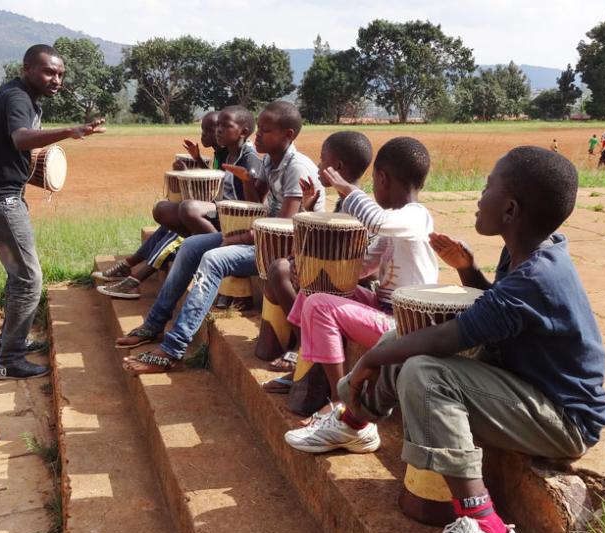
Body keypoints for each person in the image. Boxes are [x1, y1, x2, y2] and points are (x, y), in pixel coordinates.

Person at [285, 146, 605, 533]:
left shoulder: (536, 278)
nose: (479, 194)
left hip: (563, 420)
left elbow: (447, 336)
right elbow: (501, 312)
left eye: (488, 185)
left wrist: (373, 356)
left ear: (509, 210)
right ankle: (355, 422)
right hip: (528, 389)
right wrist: (470, 271)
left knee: (425, 371)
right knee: (406, 338)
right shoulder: (530, 253)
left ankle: (485, 525)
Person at [118, 101, 324, 372]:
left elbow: (284, 227)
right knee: (191, 246)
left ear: (288, 135)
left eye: (266, 130)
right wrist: (250, 183)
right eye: (258, 129)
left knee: (214, 260)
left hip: (284, 249)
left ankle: (172, 349)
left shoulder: (297, 167)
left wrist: (236, 239)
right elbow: (256, 204)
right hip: (263, 238)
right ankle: (154, 324)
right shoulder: (270, 161)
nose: (258, 135)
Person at [0, 44, 106, 379]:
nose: (56, 79)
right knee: (29, 278)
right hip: (0, 199)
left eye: (60, 73)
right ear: (27, 68)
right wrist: (69, 132)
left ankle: (12, 342)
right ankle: (10, 360)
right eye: (48, 72)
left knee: (19, 274)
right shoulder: (18, 98)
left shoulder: (11, 90)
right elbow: (20, 138)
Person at [276, 137, 439, 417]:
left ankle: (343, 402)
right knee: (314, 291)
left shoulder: (416, 217)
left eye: (373, 181)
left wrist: (347, 190)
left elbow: (377, 221)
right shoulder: (397, 223)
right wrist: (315, 272)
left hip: (401, 327)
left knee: (319, 305)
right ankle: (306, 368)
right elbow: (361, 269)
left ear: (382, 178)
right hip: (383, 311)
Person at [95, 106, 261, 300]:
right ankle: (129, 266)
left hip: (232, 224)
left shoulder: (248, 160)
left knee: (179, 230)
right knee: (163, 211)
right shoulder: (227, 153)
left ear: (243, 131)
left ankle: (134, 279)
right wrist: (196, 162)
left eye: (223, 126)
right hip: (218, 214)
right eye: (215, 127)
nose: (217, 131)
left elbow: (253, 205)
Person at [262, 131, 374, 374]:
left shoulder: (358, 207)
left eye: (323, 160)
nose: (319, 165)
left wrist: (302, 263)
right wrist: (309, 207)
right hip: (333, 279)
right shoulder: (345, 202)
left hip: (347, 284)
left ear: (338, 167)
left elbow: (349, 260)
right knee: (281, 268)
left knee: (281, 270)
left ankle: (304, 346)